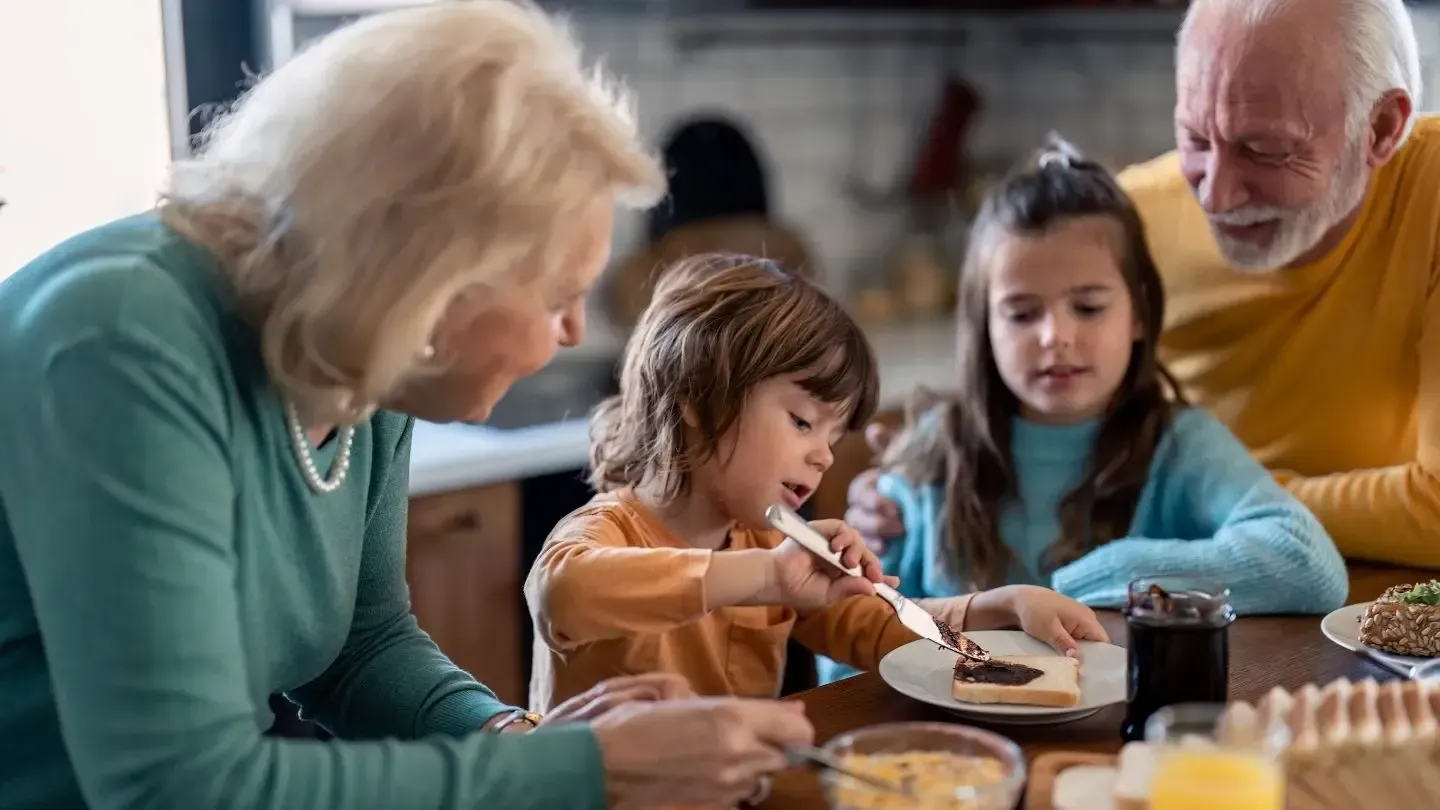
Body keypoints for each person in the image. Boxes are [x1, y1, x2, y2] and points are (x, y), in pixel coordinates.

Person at [0, 5, 819, 809]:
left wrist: (514, 738)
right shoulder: (119, 341)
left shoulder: (354, 348)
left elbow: (361, 650)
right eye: (558, 295)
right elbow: (179, 785)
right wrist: (586, 772)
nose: (574, 332)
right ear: (432, 273)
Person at [848, 0, 1440, 570]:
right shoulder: (1123, 225)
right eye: (1196, 139)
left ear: (1382, 129)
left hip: (1368, 596)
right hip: (1180, 593)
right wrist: (915, 486)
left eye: (1265, 149)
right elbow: (1012, 411)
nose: (1215, 195)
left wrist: (1230, 508)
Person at [823, 140, 1347, 684]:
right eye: (1022, 313)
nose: (1057, 337)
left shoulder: (1180, 444)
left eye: (1089, 307)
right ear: (985, 328)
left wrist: (1075, 586)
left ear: (1140, 314)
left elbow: (1308, 565)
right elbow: (843, 650)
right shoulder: (931, 456)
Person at [524, 253, 1107, 713]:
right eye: (802, 421)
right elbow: (563, 594)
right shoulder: (606, 533)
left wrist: (999, 606)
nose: (824, 457)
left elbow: (877, 626)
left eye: (831, 436)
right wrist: (767, 577)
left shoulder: (763, 548)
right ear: (697, 400)